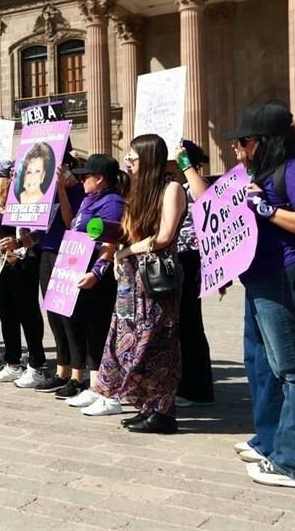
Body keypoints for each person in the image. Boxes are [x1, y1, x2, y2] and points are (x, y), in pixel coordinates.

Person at [225, 102, 295, 490]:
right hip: (262, 277)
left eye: (243, 142)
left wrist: (267, 210)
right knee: (267, 365)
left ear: (264, 141)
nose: (237, 149)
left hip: (287, 276)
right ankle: (274, 444)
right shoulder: (265, 171)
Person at [89, 135, 186, 429]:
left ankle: (163, 411)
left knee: (157, 342)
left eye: (132, 157)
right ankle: (145, 404)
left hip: (156, 276)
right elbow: (131, 233)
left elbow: (165, 236)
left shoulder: (171, 189)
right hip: (131, 280)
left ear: (148, 158)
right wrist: (115, 246)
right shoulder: (136, 192)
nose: (127, 163)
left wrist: (128, 250)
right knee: (126, 340)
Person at [56, 155, 127, 403]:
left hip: (97, 276)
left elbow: (110, 239)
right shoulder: (89, 200)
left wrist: (97, 271)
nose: (82, 179)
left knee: (99, 328)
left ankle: (103, 386)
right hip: (78, 270)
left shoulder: (112, 202)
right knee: (87, 327)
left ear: (100, 179)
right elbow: (72, 226)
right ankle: (95, 384)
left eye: (87, 176)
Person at [17, 152, 86, 390]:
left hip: (68, 255)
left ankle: (78, 375)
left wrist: (63, 190)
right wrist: (28, 238)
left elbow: (70, 222)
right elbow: (42, 230)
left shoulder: (77, 193)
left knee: (69, 317)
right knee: (55, 316)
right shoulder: (46, 194)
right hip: (46, 253)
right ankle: (62, 370)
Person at [0, 160, 45, 384]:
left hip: (22, 264)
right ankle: (13, 362)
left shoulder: (23, 201)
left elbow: (37, 233)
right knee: (6, 314)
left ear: (5, 180)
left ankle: (37, 364)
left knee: (27, 314)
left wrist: (18, 244)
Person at [171, 140, 215, 407]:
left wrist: (185, 163)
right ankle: (183, 382)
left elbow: (205, 198)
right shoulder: (171, 184)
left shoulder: (193, 182)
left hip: (190, 258)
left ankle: (197, 388)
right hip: (173, 258)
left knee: (189, 323)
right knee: (178, 325)